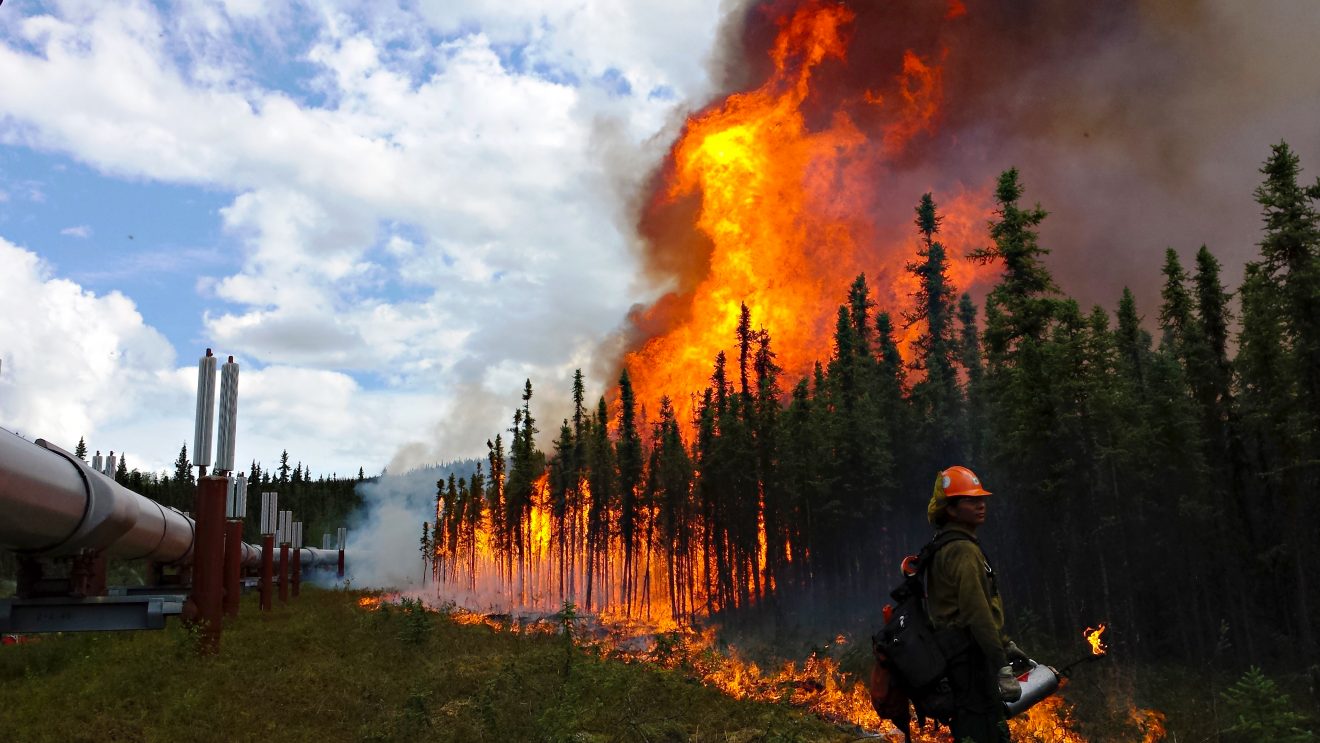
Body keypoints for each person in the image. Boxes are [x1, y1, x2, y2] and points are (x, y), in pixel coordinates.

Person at [924, 465, 1027, 743]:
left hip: (959, 659)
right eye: (971, 500)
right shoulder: (963, 550)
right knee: (987, 733)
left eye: (981, 499)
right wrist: (1001, 665)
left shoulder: (946, 545)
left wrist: (1004, 644)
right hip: (969, 663)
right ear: (952, 510)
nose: (981, 505)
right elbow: (976, 612)